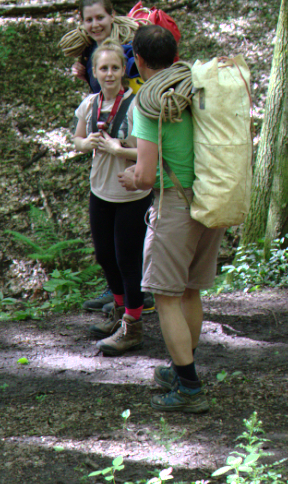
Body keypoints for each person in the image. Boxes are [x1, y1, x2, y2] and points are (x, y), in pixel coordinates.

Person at [119, 25, 222, 414]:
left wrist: (131, 177)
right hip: (211, 197)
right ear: (174, 55)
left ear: (138, 60)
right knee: (191, 291)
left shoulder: (149, 103)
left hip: (176, 204)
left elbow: (146, 176)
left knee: (165, 297)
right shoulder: (193, 88)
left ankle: (189, 387)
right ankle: (182, 370)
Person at [72, 41, 152, 355]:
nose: (109, 74)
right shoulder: (89, 105)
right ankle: (119, 312)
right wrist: (86, 143)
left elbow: (148, 151)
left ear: (123, 71)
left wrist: (119, 150)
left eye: (115, 68)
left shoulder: (136, 105)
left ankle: (133, 325)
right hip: (100, 190)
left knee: (127, 261)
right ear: (94, 71)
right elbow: (77, 140)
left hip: (131, 193)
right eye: (103, 68)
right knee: (105, 256)